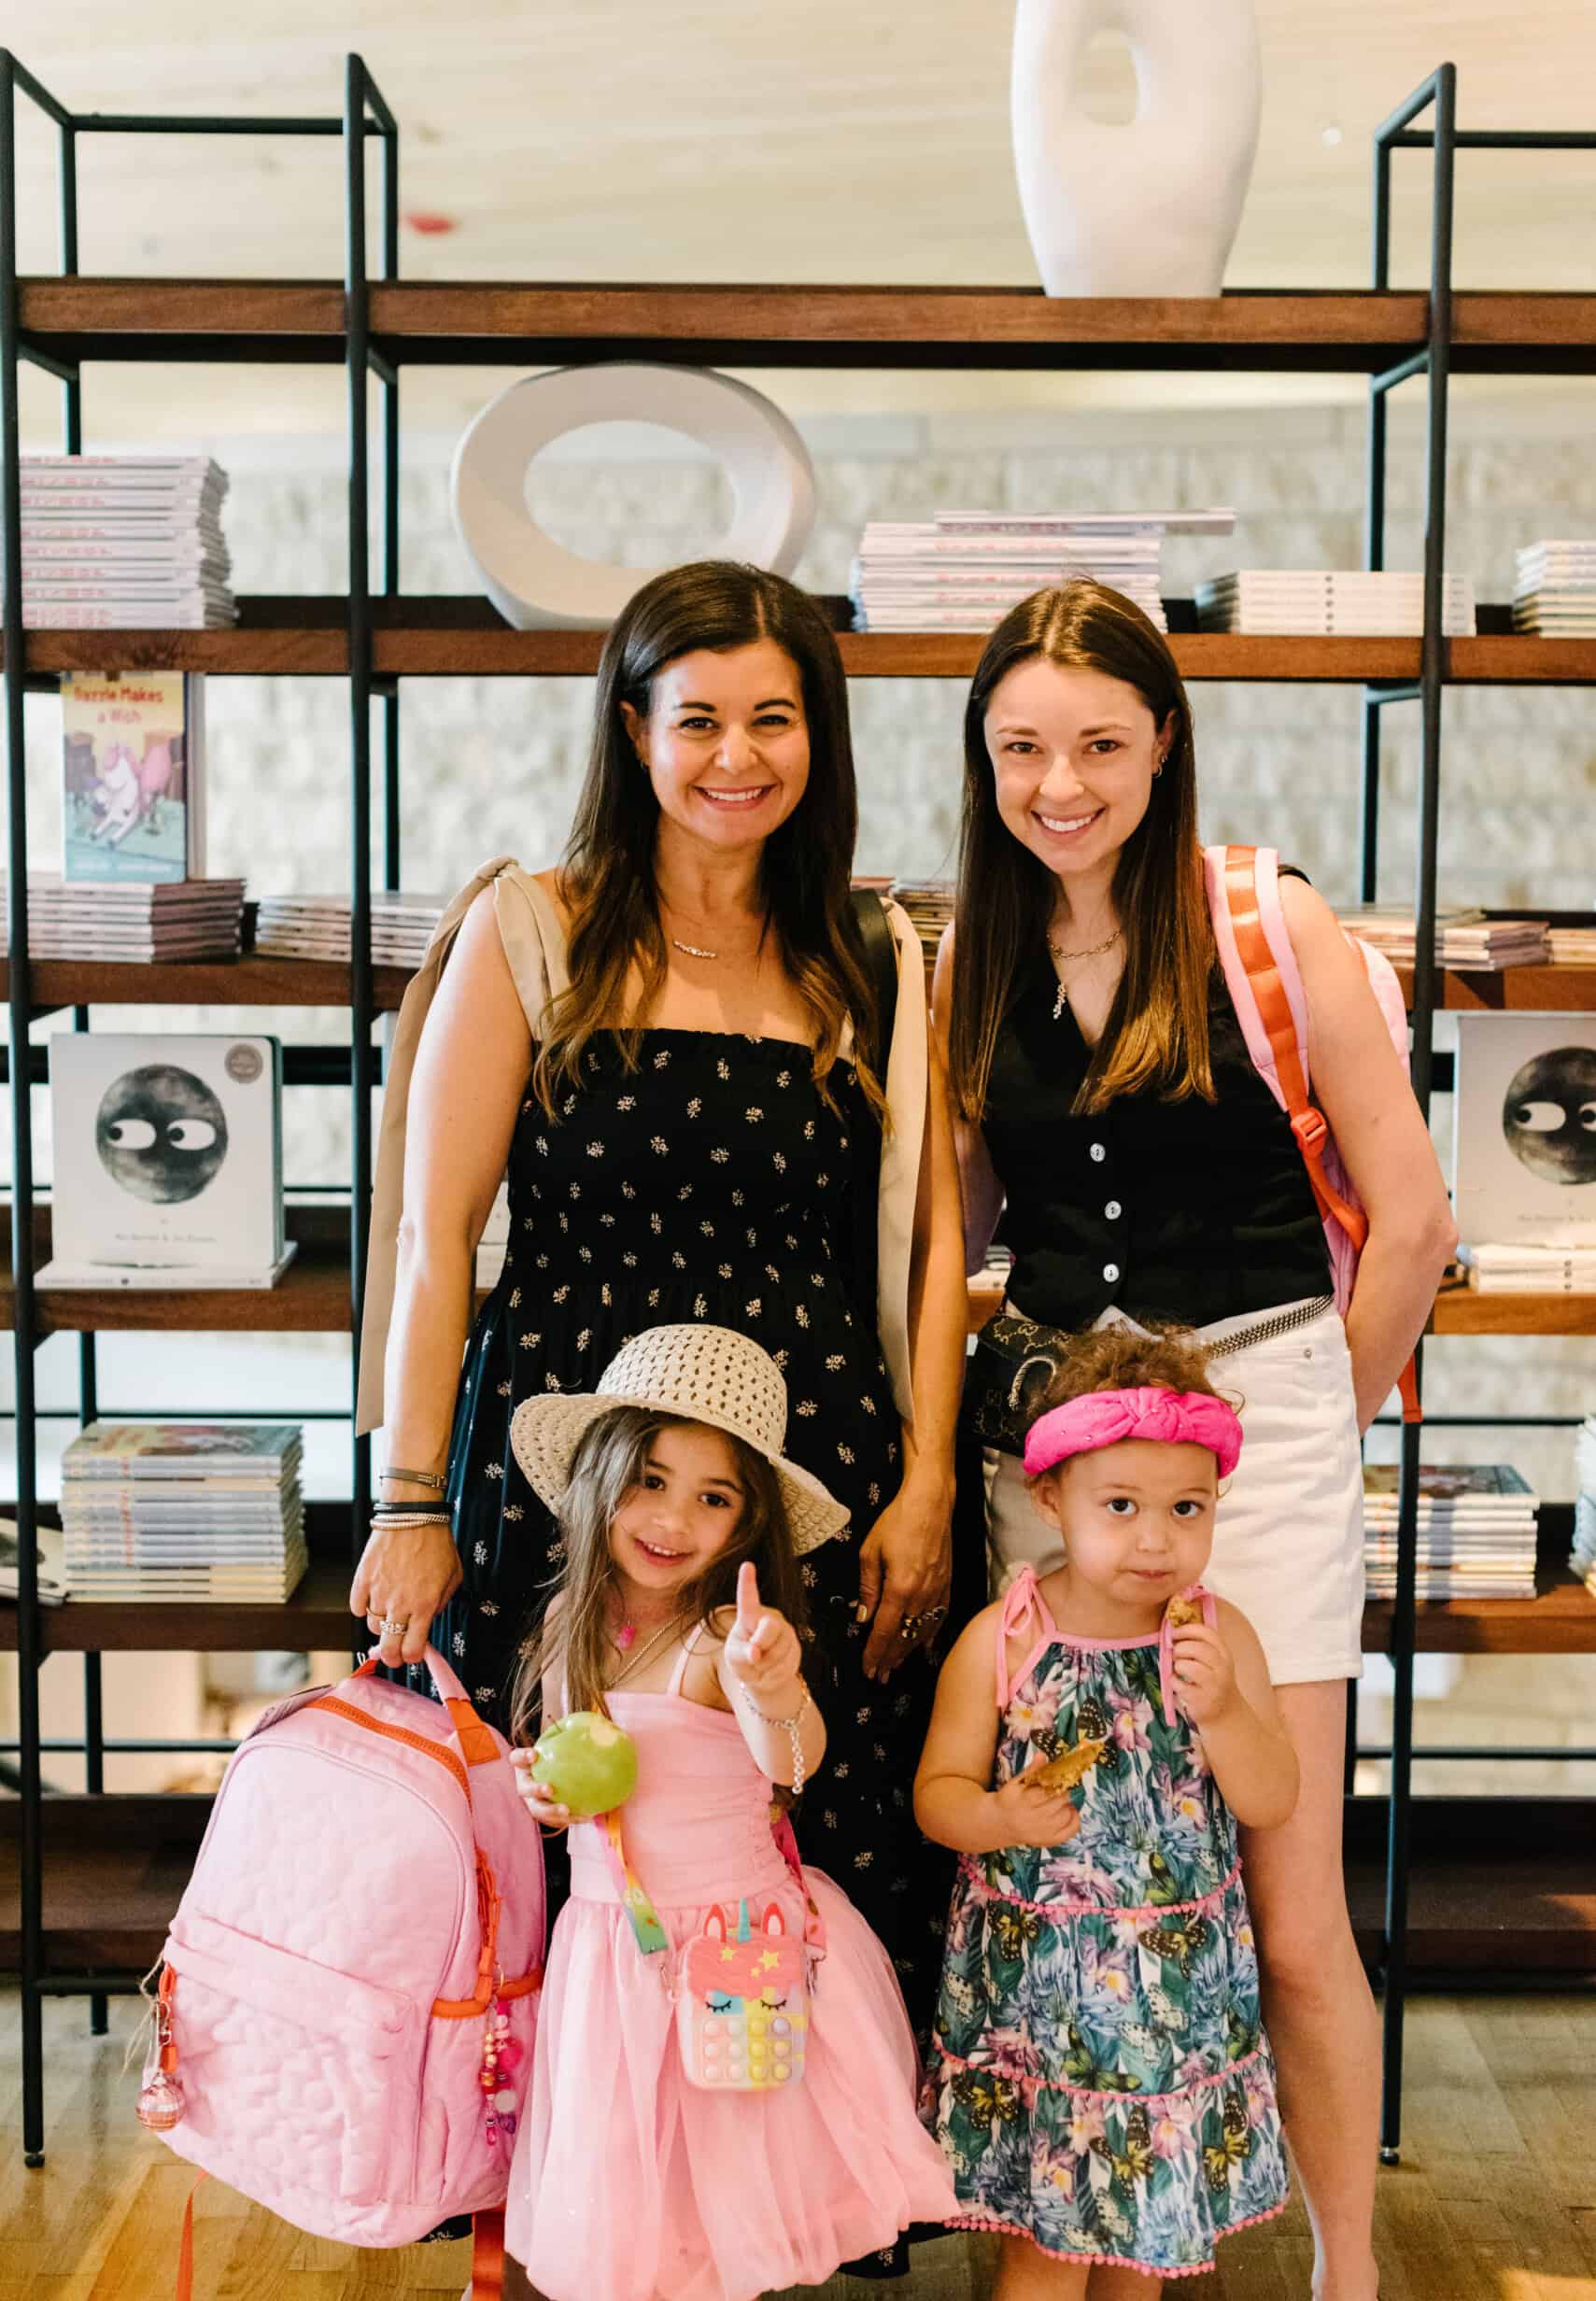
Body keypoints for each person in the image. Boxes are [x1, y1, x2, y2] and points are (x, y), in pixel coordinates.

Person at [349, 559, 971, 2052]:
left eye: (775, 719)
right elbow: (434, 1238)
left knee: (806, 1828)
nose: (736, 757)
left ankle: (789, 2174)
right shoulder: (533, 929)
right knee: (560, 1843)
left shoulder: (869, 951)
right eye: (699, 720)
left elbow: (931, 1244)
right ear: (633, 730)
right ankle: (583, 2168)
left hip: (805, 1475)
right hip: (569, 1473)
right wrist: (407, 1499)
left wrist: (931, 1484)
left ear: (819, 737)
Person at [937, 581, 1457, 2300]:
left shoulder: (1263, 922)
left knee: (1288, 1904)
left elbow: (1412, 1224)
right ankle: (1101, 2233)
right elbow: (955, 1230)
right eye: (1021, 748)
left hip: (1262, 1428)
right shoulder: (971, 953)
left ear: (1162, 742)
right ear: (982, 758)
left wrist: (1299, 1424)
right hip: (1049, 1453)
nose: (1059, 785)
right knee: (1081, 1870)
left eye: (1098, 744)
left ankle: (1342, 2266)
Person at [502, 1322, 957, 2301]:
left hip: (726, 1953)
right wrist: (539, 1790)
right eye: (650, 1481)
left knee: (724, 2194)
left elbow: (792, 1760)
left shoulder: (725, 1642)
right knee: (633, 2200)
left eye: (713, 1498)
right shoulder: (569, 1624)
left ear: (747, 1525)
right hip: (613, 1959)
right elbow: (568, 1784)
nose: (673, 1518)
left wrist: (774, 1685)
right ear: (598, 1477)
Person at [915, 1322, 1297, 2294]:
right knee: (1045, 2251)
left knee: (1142, 2243)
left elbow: (1270, 1798)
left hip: (1171, 2003)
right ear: (1049, 1497)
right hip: (1040, 2004)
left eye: (1185, 1507)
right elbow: (936, 1797)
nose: (1155, 1538)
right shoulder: (1004, 1637)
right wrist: (998, 1818)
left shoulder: (1217, 1637)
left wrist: (1222, 1711)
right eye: (1119, 1505)